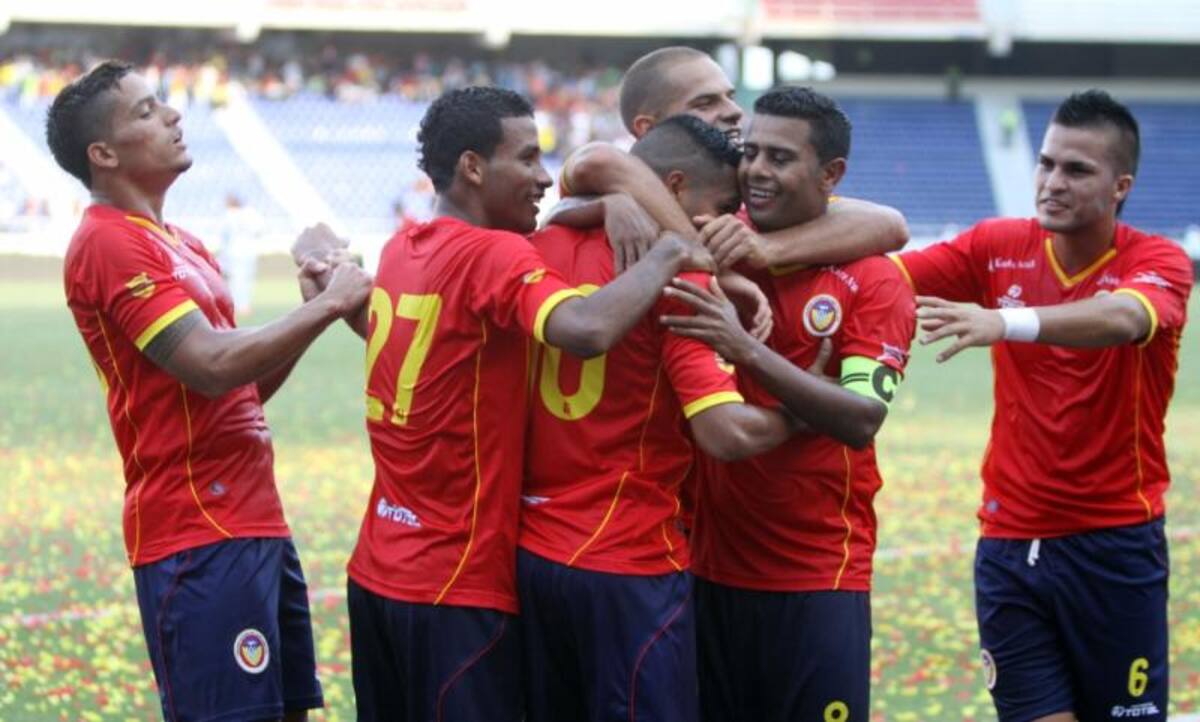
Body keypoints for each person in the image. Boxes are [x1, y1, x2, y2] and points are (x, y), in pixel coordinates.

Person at [310, 87, 706, 722]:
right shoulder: (493, 253)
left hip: (378, 569)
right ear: (473, 167)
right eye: (526, 158)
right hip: (454, 583)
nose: (543, 178)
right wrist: (669, 249)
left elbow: (429, 353)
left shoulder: (402, 248)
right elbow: (586, 329)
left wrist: (606, 203)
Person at [49, 60, 373, 722]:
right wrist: (329, 304)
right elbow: (210, 364)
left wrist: (312, 310)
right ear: (103, 154)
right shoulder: (107, 242)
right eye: (145, 112)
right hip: (194, 533)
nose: (172, 115)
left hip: (254, 522)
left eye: (162, 103)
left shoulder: (183, 242)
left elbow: (238, 390)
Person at [895, 90, 1192, 722]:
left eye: (1077, 170)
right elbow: (885, 276)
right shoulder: (996, 245)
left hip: (1115, 545)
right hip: (1008, 544)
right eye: (1046, 163)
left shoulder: (1156, 260)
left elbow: (1122, 318)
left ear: (1120, 186)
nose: (1053, 182)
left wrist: (1005, 321)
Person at [519, 114, 812, 722]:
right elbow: (725, 433)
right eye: (722, 207)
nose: (727, 223)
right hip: (629, 561)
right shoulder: (679, 278)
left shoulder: (536, 248)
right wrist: (803, 410)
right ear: (675, 186)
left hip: (531, 556)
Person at [662, 87, 915, 722]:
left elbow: (862, 417)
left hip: (817, 575)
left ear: (831, 175)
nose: (756, 171)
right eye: (751, 153)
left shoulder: (875, 279)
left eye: (780, 158)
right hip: (707, 568)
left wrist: (745, 349)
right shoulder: (716, 243)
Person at [552, 46, 909, 273]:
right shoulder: (603, 190)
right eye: (706, 103)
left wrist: (767, 248)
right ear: (648, 127)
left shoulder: (746, 192)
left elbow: (889, 225)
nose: (735, 112)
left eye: (730, 96)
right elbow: (597, 160)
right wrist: (613, 203)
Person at [217, 192, 265, 317]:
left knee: (236, 281)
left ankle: (237, 306)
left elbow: (224, 237)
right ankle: (244, 305)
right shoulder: (251, 213)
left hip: (233, 251)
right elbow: (259, 231)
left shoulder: (229, 214)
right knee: (246, 280)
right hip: (249, 251)